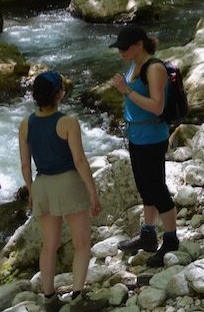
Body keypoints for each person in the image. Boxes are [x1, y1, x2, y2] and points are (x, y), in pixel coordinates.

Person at [18, 71, 102, 312]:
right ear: (59, 94)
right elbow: (79, 160)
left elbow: (25, 165)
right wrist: (93, 191)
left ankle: (49, 297)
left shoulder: (25, 124)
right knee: (82, 242)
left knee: (49, 245)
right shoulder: (68, 122)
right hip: (68, 184)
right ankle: (77, 297)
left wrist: (32, 191)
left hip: (42, 183)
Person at [109, 25, 179, 266]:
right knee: (144, 187)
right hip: (137, 135)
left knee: (157, 188)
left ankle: (170, 240)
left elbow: (157, 106)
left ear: (139, 45)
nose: (120, 52)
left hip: (153, 136)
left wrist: (125, 90)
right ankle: (148, 235)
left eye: (124, 48)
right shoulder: (134, 65)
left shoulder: (155, 68)